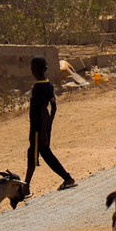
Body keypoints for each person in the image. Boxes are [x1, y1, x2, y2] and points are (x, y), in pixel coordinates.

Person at [25, 56, 76, 191]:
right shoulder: (49, 85)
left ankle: (26, 187)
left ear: (33, 70)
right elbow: (53, 107)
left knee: (33, 154)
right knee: (45, 153)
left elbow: (42, 109)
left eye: (33, 68)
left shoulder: (37, 87)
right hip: (44, 125)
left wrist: (42, 132)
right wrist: (49, 126)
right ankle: (67, 178)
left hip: (37, 127)